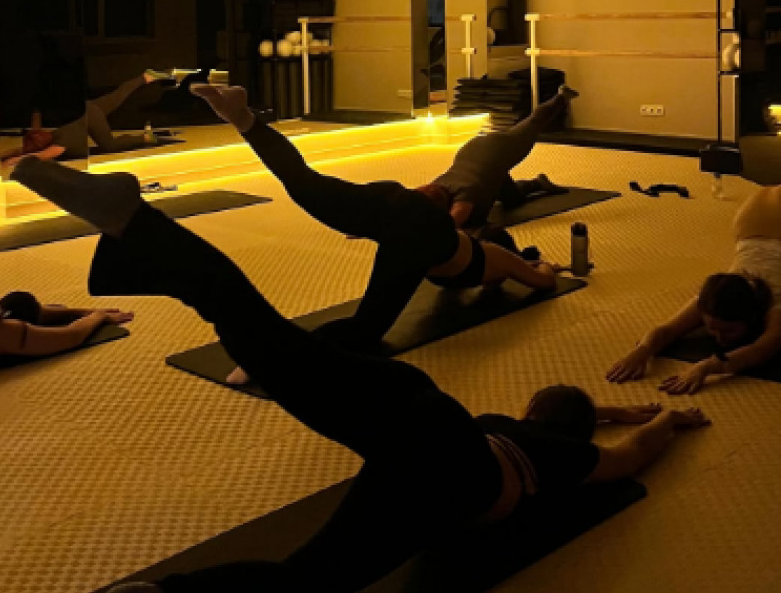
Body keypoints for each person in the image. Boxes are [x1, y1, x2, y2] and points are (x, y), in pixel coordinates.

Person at [7, 156, 710, 593]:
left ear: (534, 413)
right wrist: (669, 425)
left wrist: (618, 409)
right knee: (312, 577)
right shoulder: (564, 461)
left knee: (276, 352)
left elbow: (582, 421)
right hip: (442, 476)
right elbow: (631, 457)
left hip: (417, 428)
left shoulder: (511, 424)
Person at [190, 84, 563, 360]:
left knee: (305, 183)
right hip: (413, 231)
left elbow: (422, 219)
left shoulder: (468, 241)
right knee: (366, 328)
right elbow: (543, 282)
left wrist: (367, 223)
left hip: (394, 202)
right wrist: (541, 264)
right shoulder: (496, 257)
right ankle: (270, 358)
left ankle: (243, 119)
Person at [606, 184, 781, 394]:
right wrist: (642, 351)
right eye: (712, 328)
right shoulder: (712, 298)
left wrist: (706, 367)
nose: (719, 338)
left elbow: (761, 350)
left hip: (761, 224)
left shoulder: (775, 304)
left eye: (729, 330)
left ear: (751, 317)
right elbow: (667, 330)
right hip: (755, 218)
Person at [416, 85, 579, 230]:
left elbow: (451, 227)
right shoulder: (435, 185)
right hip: (473, 156)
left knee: (532, 124)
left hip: (493, 151)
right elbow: (410, 197)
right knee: (512, 199)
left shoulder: (465, 196)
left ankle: (561, 97)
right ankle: (538, 183)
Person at [2, 70, 173, 165]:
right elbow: (30, 150)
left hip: (91, 115)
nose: (40, 133)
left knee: (110, 146)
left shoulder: (59, 145)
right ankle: (145, 77)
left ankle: (145, 137)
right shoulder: (56, 137)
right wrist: (9, 155)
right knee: (118, 95)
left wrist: (14, 160)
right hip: (88, 109)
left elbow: (39, 156)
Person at [0, 288, 133, 360]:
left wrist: (82, 312)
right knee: (20, 306)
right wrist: (98, 315)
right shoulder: (4, 333)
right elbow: (72, 336)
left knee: (19, 302)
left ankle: (47, 314)